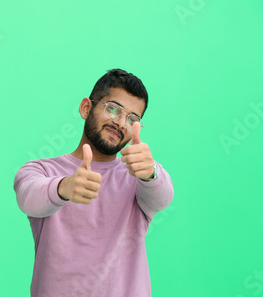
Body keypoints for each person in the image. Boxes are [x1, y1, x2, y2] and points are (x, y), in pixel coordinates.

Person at [14, 69, 174, 297]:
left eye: (132, 119)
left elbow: (163, 198)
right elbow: (28, 197)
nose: (120, 123)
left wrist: (151, 173)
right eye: (113, 109)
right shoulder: (42, 171)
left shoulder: (138, 177)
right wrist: (65, 187)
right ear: (86, 108)